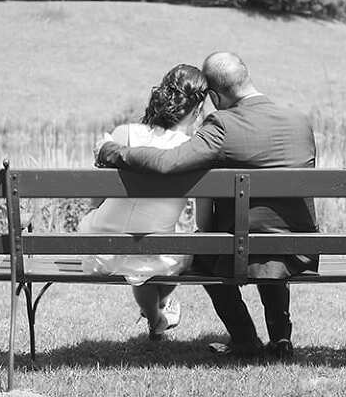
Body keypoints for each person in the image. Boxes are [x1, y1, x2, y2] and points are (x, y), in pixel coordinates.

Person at [97, 52, 318, 360]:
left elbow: (167, 162)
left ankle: (245, 340)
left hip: (242, 253)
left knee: (204, 256)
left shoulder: (223, 125)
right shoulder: (299, 121)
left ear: (214, 95)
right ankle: (280, 338)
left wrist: (110, 151)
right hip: (298, 250)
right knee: (270, 243)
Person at [79, 63, 211, 341]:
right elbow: (202, 222)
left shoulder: (123, 135)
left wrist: (96, 218)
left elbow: (96, 197)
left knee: (141, 262)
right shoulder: (194, 151)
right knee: (167, 257)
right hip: (156, 254)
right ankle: (158, 311)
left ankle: (157, 317)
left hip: (98, 248)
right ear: (198, 110)